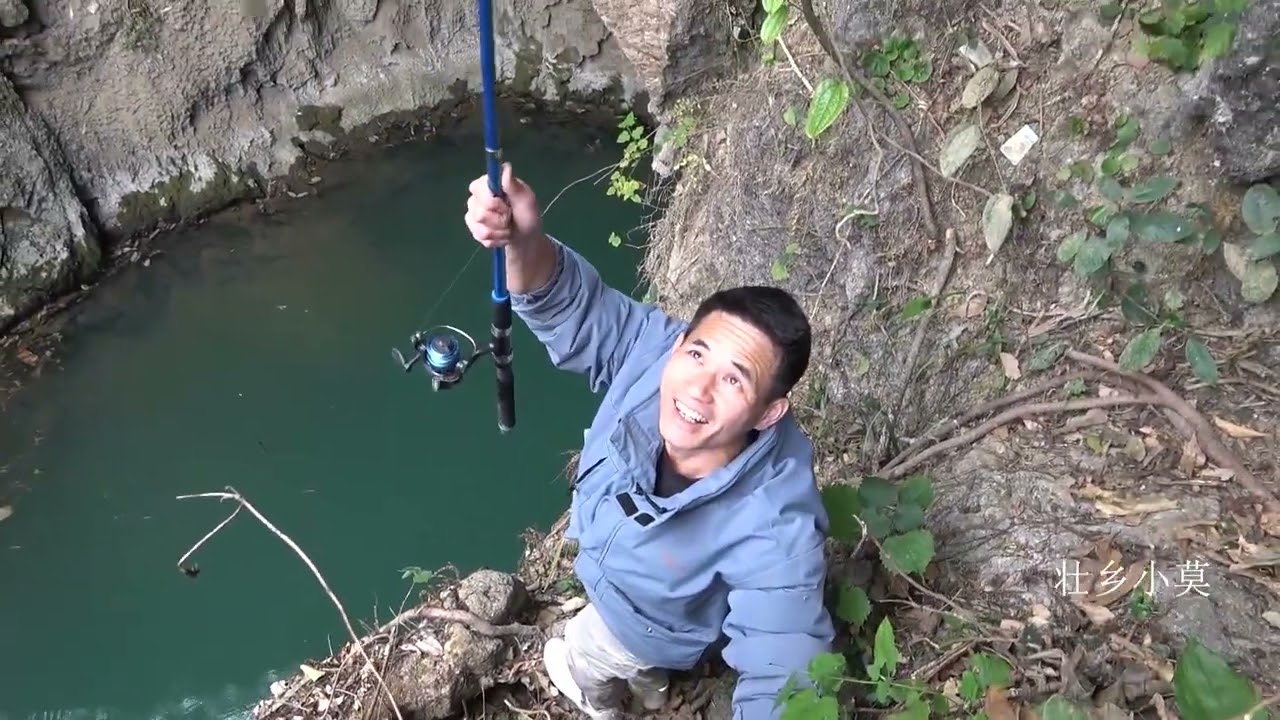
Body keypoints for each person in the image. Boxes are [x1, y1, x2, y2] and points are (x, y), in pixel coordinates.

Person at [463, 164, 835, 720]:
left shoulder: (775, 523)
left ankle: (598, 695)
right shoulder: (654, 352)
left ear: (770, 411)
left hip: (652, 625)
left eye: (736, 379)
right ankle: (651, 684)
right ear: (680, 343)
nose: (698, 389)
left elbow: (787, 670)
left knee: (580, 657)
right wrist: (521, 239)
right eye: (697, 355)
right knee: (631, 659)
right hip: (620, 583)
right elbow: (572, 305)